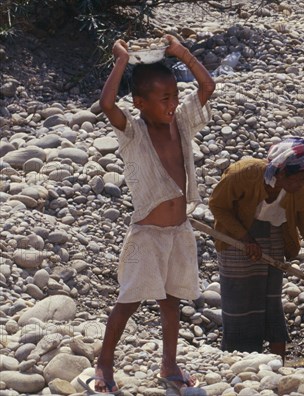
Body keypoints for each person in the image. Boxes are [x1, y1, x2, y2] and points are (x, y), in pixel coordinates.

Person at [86, 35, 215, 394]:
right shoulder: (134, 133)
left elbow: (207, 85)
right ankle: (104, 363)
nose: (173, 104)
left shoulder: (181, 123)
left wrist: (182, 53)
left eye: (175, 96)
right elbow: (107, 102)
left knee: (171, 300)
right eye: (164, 99)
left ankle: (169, 365)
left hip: (178, 231)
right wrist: (122, 60)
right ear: (139, 103)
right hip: (148, 234)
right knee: (128, 301)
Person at [208, 137, 304, 362]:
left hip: (274, 237)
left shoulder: (299, 194)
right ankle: (239, 360)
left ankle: (277, 364)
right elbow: (217, 205)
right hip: (234, 236)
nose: (303, 184)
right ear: (281, 173)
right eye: (299, 178)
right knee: (240, 300)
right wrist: (245, 239)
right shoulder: (242, 174)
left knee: (270, 301)